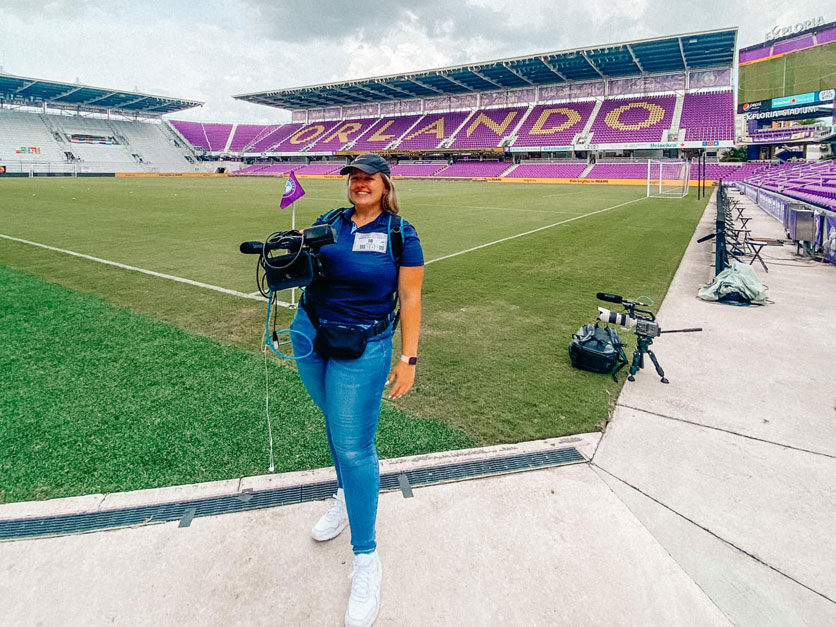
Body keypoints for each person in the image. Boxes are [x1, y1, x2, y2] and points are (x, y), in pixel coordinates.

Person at [290, 153, 424, 627]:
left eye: (369, 177)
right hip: (309, 334)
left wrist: (408, 358)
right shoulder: (329, 221)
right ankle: (346, 498)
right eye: (354, 177)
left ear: (385, 184)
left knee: (353, 445)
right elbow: (305, 266)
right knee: (334, 426)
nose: (360, 183)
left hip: (364, 344)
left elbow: (409, 297)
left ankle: (366, 558)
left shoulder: (400, 234)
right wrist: (289, 252)